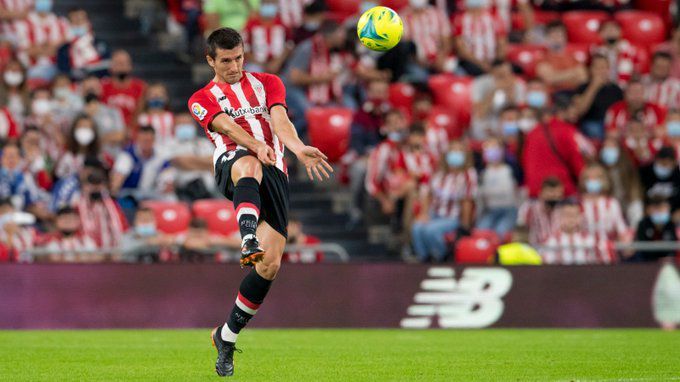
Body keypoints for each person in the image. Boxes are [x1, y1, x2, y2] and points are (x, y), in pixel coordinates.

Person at [187, 27, 332, 376]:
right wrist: (255, 146)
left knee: (269, 265)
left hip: (275, 170)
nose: (234, 66)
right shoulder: (200, 98)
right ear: (211, 61)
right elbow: (226, 127)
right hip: (234, 163)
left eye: (238, 57)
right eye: (225, 61)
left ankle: (226, 336)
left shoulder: (268, 81)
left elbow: (280, 120)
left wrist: (297, 149)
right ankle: (247, 235)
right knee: (248, 164)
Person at [411, 140, 477, 262]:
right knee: (417, 227)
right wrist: (424, 213)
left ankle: (442, 256)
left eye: (459, 151)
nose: (455, 154)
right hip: (434, 213)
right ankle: (424, 258)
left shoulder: (468, 175)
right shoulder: (439, 174)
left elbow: (467, 201)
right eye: (453, 151)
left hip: (452, 217)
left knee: (430, 230)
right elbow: (428, 194)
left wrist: (465, 226)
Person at [282, 20, 350, 136]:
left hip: (314, 89)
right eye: (341, 34)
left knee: (348, 107)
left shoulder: (333, 51)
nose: (344, 38)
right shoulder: (308, 48)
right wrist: (321, 79)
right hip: (291, 89)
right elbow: (294, 77)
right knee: (309, 113)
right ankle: (286, 141)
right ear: (331, 35)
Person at [522, 98, 585, 198]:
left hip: (535, 190)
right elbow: (578, 163)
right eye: (573, 111)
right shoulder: (567, 131)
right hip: (561, 189)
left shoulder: (533, 132)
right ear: (561, 112)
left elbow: (525, 161)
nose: (576, 115)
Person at [110, 125, 175, 202]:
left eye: (149, 141)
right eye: (143, 140)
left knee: (170, 198)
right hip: (129, 194)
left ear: (154, 140)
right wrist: (114, 191)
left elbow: (167, 175)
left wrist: (168, 183)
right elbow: (119, 175)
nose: (146, 144)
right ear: (137, 139)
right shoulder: (128, 155)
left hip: (151, 194)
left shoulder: (161, 155)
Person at [541, 200, 616, 265]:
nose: (571, 219)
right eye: (567, 215)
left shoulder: (590, 240)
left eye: (575, 215)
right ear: (560, 217)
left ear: (580, 217)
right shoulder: (550, 241)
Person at [572, 54, 624, 140]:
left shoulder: (616, 89)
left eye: (604, 67)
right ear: (591, 70)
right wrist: (594, 87)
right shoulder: (582, 88)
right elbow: (579, 111)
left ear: (609, 70)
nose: (601, 71)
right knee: (593, 129)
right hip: (591, 123)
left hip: (612, 125)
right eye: (597, 68)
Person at [470, 59, 526, 139]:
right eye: (500, 75)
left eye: (507, 74)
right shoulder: (480, 83)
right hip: (486, 121)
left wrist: (509, 92)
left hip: (506, 121)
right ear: (493, 73)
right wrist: (494, 90)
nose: (504, 77)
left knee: (513, 120)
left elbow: (519, 112)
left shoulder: (518, 85)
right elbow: (479, 113)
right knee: (478, 123)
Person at [167, 113, 216, 201]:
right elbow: (179, 161)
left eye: (187, 124)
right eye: (181, 124)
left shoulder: (204, 143)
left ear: (194, 125)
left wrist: (189, 161)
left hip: (208, 191)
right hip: (182, 192)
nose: (185, 126)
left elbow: (213, 162)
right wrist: (205, 165)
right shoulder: (169, 144)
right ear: (174, 127)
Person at [476, 137, 518, 238]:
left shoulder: (510, 169)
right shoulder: (482, 173)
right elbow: (480, 196)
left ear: (502, 150)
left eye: (495, 147)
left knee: (500, 232)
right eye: (488, 148)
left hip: (508, 210)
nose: (492, 150)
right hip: (490, 210)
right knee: (481, 231)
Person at [452, 0, 507, 76]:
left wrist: (496, 63)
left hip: (492, 61)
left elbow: (502, 44)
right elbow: (461, 49)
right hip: (471, 62)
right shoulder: (459, 20)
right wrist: (481, 64)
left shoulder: (494, 18)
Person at [599, 136, 644, 227]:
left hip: (628, 200)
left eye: (612, 147)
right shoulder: (599, 168)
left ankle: (635, 235)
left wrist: (632, 197)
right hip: (610, 202)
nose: (609, 150)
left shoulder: (627, 165)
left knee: (636, 206)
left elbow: (635, 187)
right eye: (606, 147)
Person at [578, 163, 629, 242]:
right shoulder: (578, 204)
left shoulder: (612, 203)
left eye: (596, 178)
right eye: (588, 178)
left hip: (607, 250)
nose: (592, 181)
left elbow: (621, 228)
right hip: (584, 250)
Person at [56, 7, 110, 80]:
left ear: (88, 22)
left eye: (80, 20)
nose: (78, 24)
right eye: (74, 21)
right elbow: (64, 72)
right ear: (69, 25)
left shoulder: (100, 44)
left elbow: (107, 66)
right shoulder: (64, 49)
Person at [535, 20, 588, 92]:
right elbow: (549, 79)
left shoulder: (573, 58)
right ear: (547, 38)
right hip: (554, 95)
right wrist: (573, 73)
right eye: (553, 34)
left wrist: (559, 76)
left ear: (565, 37)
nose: (556, 38)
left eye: (560, 34)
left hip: (574, 93)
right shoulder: (543, 57)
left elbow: (583, 78)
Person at [242, 0, 293, 74]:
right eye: (266, 3)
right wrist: (262, 64)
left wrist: (278, 62)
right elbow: (244, 47)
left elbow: (289, 44)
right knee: (253, 73)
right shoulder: (251, 24)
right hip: (257, 63)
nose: (269, 5)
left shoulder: (283, 23)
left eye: (271, 3)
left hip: (280, 63)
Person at [401, 0, 452, 73]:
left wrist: (441, 57)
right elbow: (405, 46)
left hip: (439, 59)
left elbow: (447, 39)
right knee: (419, 75)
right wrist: (419, 61)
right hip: (416, 62)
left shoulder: (437, 14)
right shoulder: (402, 18)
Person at [100, 49, 147, 127]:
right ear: (111, 66)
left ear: (130, 66)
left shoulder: (140, 87)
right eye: (118, 63)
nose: (121, 66)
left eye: (124, 63)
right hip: (109, 130)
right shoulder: (102, 86)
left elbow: (140, 113)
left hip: (133, 132)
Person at [516, 176, 563, 247]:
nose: (554, 196)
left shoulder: (562, 211)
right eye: (551, 192)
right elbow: (520, 232)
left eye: (557, 193)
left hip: (556, 252)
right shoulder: (529, 208)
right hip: (534, 251)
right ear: (541, 193)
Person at [632, 197, 678, 262]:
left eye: (665, 208)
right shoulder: (643, 224)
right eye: (659, 209)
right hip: (646, 261)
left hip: (666, 261)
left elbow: (673, 246)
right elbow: (641, 246)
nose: (661, 211)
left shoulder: (670, 224)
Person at [639, 147, 680, 215]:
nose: (665, 167)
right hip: (648, 210)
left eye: (668, 164)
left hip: (672, 213)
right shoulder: (644, 172)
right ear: (656, 159)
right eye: (663, 163)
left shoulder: (677, 174)